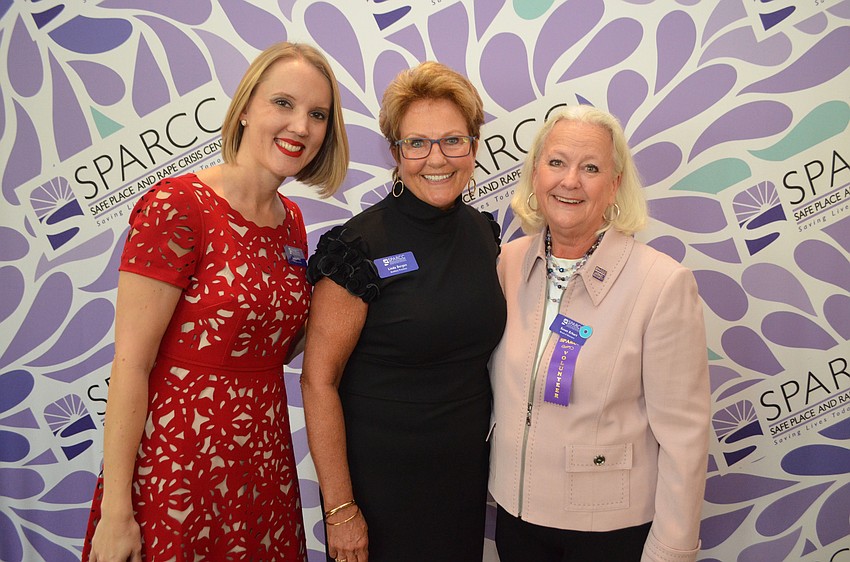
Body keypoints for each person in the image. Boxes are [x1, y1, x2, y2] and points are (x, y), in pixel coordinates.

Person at [81, 41, 349, 562]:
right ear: (245, 107)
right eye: (284, 104)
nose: (300, 126)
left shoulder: (291, 221)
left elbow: (274, 341)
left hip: (263, 465)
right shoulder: (177, 205)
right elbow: (130, 366)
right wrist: (118, 510)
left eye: (317, 114)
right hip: (179, 466)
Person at [300, 61, 506, 562]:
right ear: (396, 153)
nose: (436, 158)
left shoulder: (485, 232)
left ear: (474, 147)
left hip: (462, 482)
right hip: (379, 492)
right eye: (417, 143)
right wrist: (341, 510)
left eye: (453, 141)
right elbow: (318, 381)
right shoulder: (357, 246)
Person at [488, 105, 710, 562]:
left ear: (614, 187)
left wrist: (671, 550)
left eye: (591, 168)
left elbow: (684, 438)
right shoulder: (507, 263)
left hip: (607, 529)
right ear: (534, 175)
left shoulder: (662, 284)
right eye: (556, 163)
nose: (570, 181)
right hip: (515, 517)